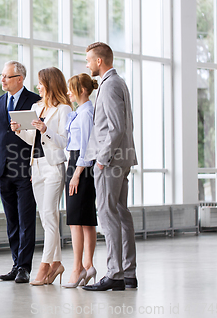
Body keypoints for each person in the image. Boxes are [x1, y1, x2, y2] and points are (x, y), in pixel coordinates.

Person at [82, 42, 138, 291]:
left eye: (88, 60)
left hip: (111, 160)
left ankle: (115, 273)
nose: (87, 65)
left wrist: (102, 159)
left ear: (99, 62)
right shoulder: (117, 82)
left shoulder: (110, 84)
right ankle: (128, 272)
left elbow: (116, 127)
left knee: (108, 215)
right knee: (121, 214)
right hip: (121, 158)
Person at [11, 67, 72, 286]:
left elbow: (65, 142)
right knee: (46, 219)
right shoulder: (36, 106)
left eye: (40, 83)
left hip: (53, 166)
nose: (38, 86)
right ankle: (56, 263)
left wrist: (45, 128)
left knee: (49, 214)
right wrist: (20, 130)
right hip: (35, 165)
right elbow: (32, 140)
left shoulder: (64, 110)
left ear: (50, 83)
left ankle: (45, 265)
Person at [0, 61, 41, 284]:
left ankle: (25, 267)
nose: (3, 80)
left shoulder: (35, 101)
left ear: (20, 78)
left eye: (7, 76)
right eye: (2, 76)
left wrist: (35, 165)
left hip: (26, 169)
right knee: (12, 221)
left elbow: (38, 138)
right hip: (4, 169)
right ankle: (16, 263)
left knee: (26, 219)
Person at [62, 73, 98, 288]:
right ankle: (87, 265)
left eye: (71, 89)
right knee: (83, 219)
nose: (68, 93)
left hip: (81, 165)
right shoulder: (79, 112)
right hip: (75, 163)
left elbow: (87, 147)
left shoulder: (85, 115)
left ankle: (78, 268)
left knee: (77, 219)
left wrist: (76, 173)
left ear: (82, 91)